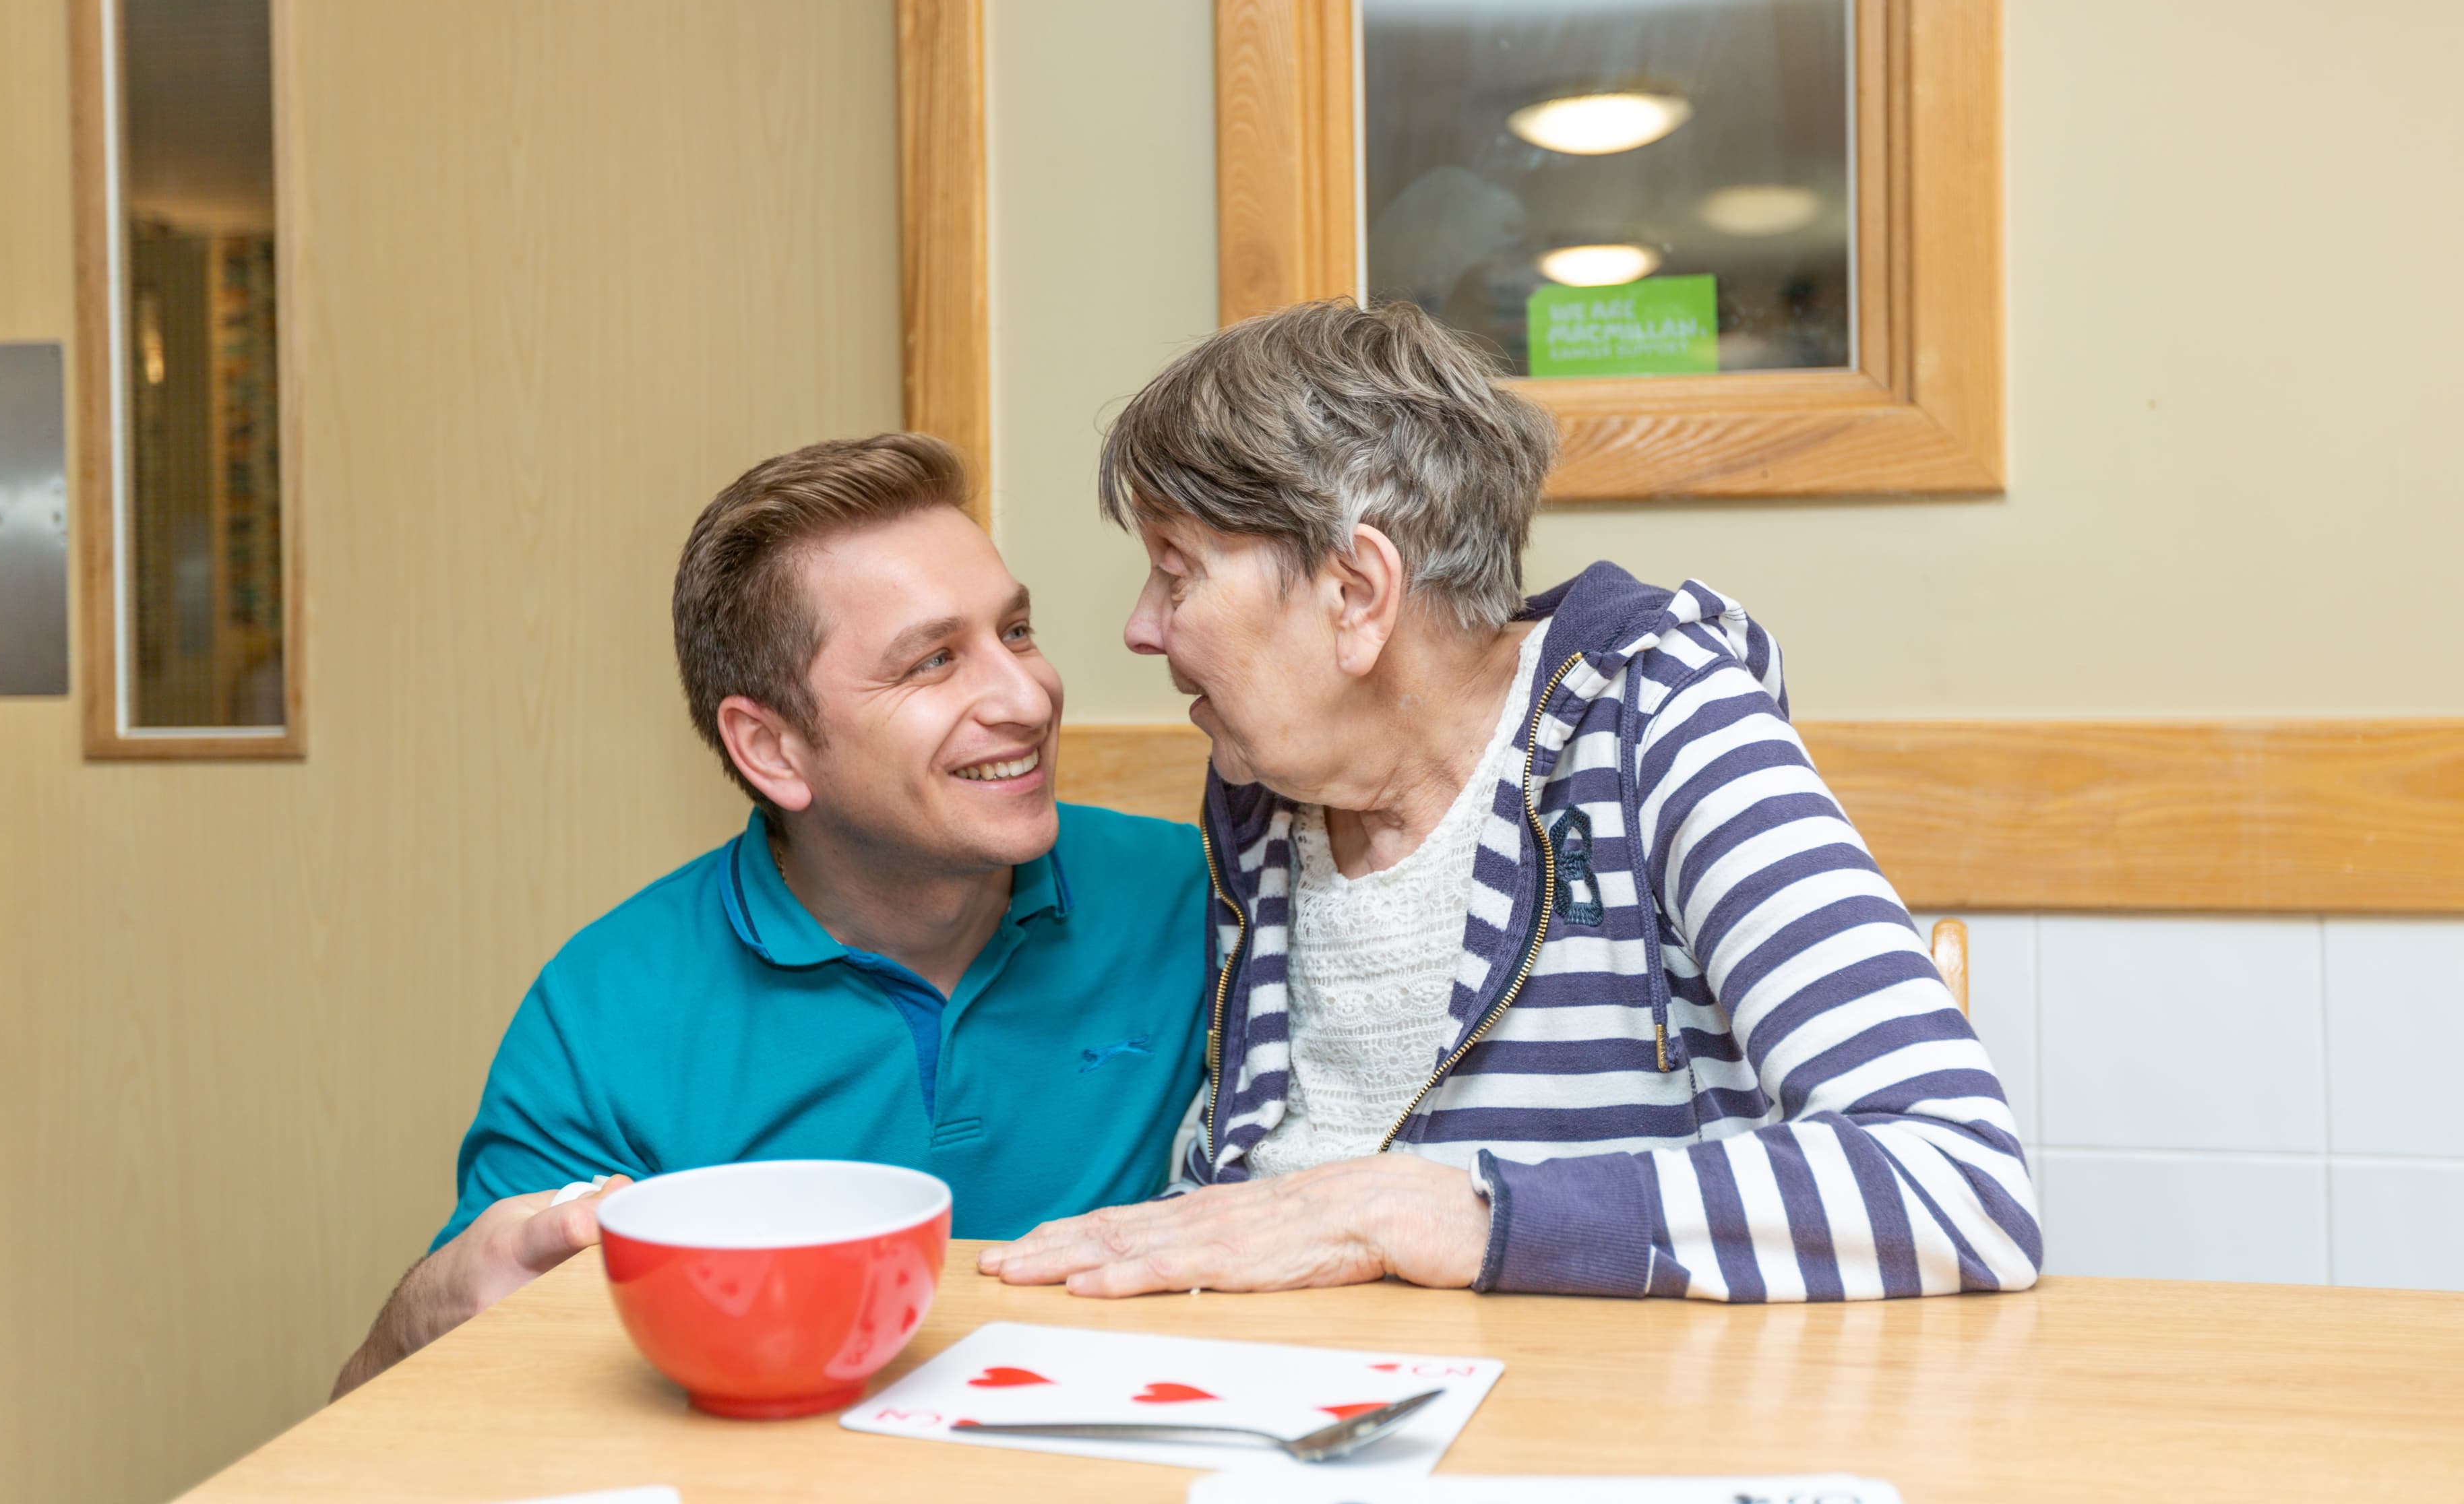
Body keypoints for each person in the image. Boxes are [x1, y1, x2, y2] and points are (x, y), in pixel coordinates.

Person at [979, 301, 2040, 1303]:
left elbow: (1956, 1183)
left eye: (1178, 572)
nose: (1140, 628)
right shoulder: (1269, 794)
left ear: (1356, 592)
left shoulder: (1656, 726)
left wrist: (1454, 1211)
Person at [334, 434, 1210, 1394]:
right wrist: (430, 1310)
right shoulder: (607, 1009)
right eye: (930, 662)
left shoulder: (1202, 900)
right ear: (773, 749)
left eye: (1015, 631)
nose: (1026, 695)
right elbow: (402, 1410)